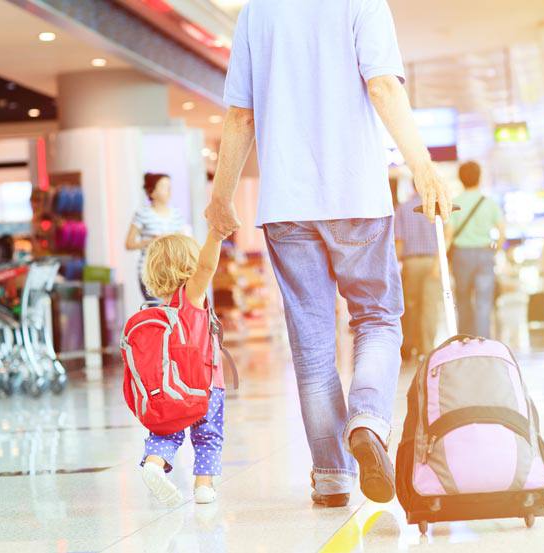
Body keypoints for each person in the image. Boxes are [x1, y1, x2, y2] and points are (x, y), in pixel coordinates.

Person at [204, 0, 452, 507]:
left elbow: (239, 115)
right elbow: (382, 86)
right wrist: (422, 165)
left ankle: (332, 475)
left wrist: (221, 197)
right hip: (357, 194)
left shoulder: (257, 12)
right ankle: (367, 418)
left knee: (313, 347)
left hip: (286, 206)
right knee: (378, 320)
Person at [138, 231, 226, 507]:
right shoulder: (191, 297)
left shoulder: (162, 310)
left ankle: (154, 463)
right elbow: (208, 266)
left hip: (171, 389)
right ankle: (203, 485)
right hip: (206, 386)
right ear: (188, 262)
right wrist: (216, 234)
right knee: (208, 435)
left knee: (167, 432)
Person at [447, 161, 504, 337]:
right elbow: (502, 232)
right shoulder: (490, 203)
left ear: (460, 179)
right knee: (484, 302)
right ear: (480, 177)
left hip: (461, 256)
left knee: (463, 300)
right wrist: (494, 250)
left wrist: (438, 262)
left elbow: (448, 235)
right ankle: (483, 342)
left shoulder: (455, 203)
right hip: (485, 254)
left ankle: (466, 342)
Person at [395, 183, 440, 360]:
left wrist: (396, 266)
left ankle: (409, 347)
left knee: (411, 306)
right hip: (432, 262)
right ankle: (427, 349)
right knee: (430, 307)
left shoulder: (403, 208)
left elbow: (399, 241)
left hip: (411, 262)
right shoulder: (435, 207)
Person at [126, 173, 186, 301]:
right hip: (149, 272)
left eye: (170, 187)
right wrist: (151, 242)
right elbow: (129, 244)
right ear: (152, 192)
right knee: (157, 311)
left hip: (173, 273)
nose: (169, 191)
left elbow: (183, 243)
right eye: (164, 187)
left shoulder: (177, 215)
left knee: (173, 312)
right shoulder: (142, 214)